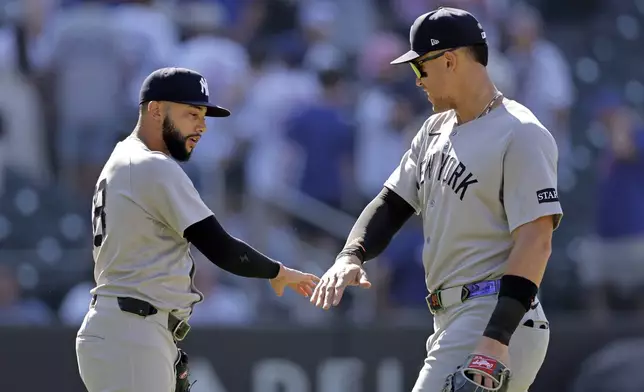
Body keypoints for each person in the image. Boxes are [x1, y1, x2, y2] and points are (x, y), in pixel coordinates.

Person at [310, 7, 562, 392]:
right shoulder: (433, 129)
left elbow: (536, 240)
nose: (416, 81)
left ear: (449, 59)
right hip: (452, 317)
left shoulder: (521, 132)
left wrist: (495, 338)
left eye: (419, 68)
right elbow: (392, 202)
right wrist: (351, 255)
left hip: (494, 314)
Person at [76, 67, 319, 392]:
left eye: (203, 115)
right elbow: (220, 247)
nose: (201, 126)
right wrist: (277, 272)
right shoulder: (152, 166)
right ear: (156, 109)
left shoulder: (122, 159)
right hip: (132, 330)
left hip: (129, 326)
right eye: (191, 114)